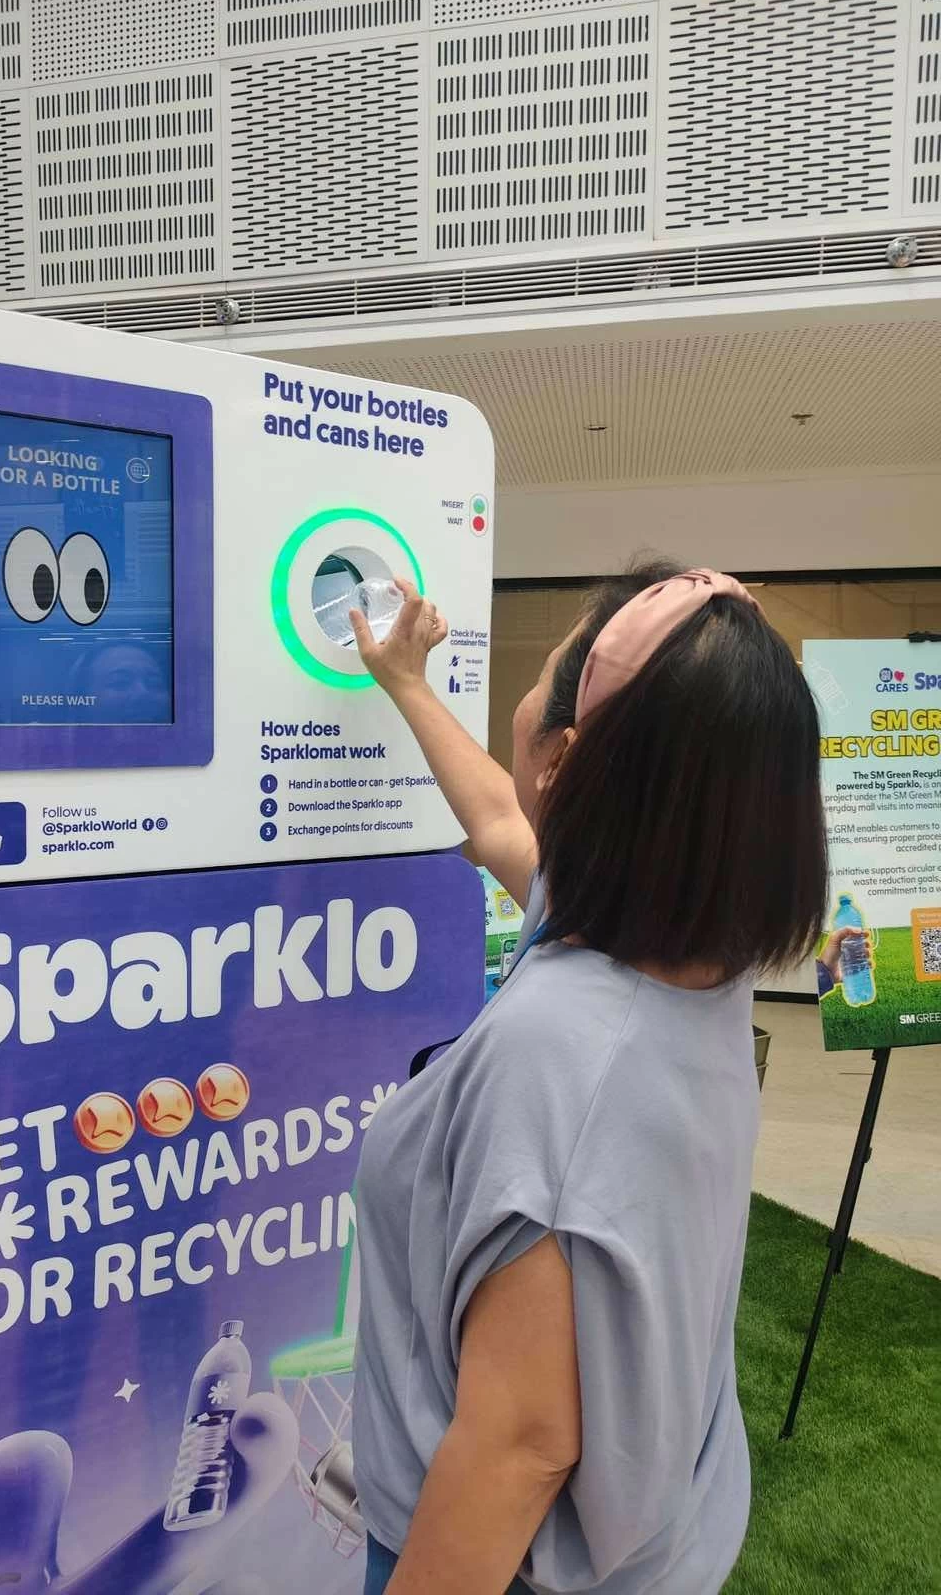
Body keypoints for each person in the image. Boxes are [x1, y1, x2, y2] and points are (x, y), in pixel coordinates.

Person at [347, 560, 827, 1595]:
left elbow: (519, 1448)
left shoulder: (560, 1050)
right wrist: (409, 684)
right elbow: (505, 829)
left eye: (552, 660)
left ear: (564, 758)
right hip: (665, 1535)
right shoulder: (695, 948)